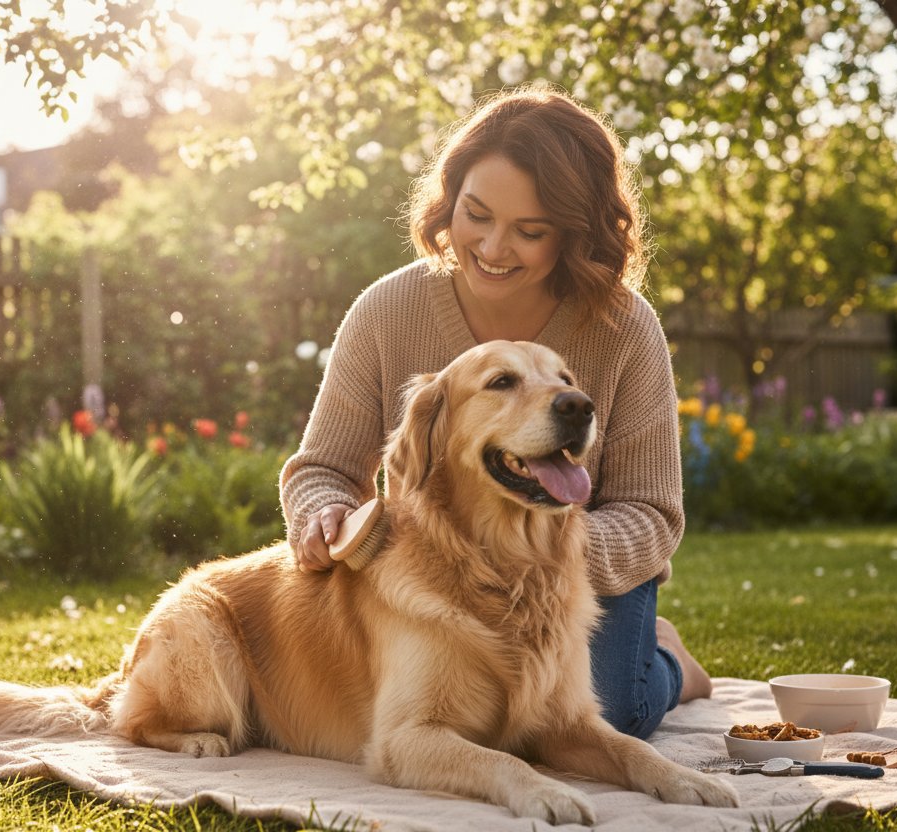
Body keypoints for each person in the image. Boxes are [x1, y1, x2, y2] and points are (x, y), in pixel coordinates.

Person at [278, 84, 711, 740]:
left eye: (529, 231)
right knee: (457, 724)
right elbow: (322, 468)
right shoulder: (385, 310)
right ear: (450, 199)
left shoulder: (626, 327)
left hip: (578, 581)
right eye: (475, 214)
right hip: (439, 573)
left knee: (604, 714)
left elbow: (652, 514)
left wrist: (539, 553)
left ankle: (669, 659)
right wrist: (321, 514)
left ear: (573, 233)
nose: (493, 246)